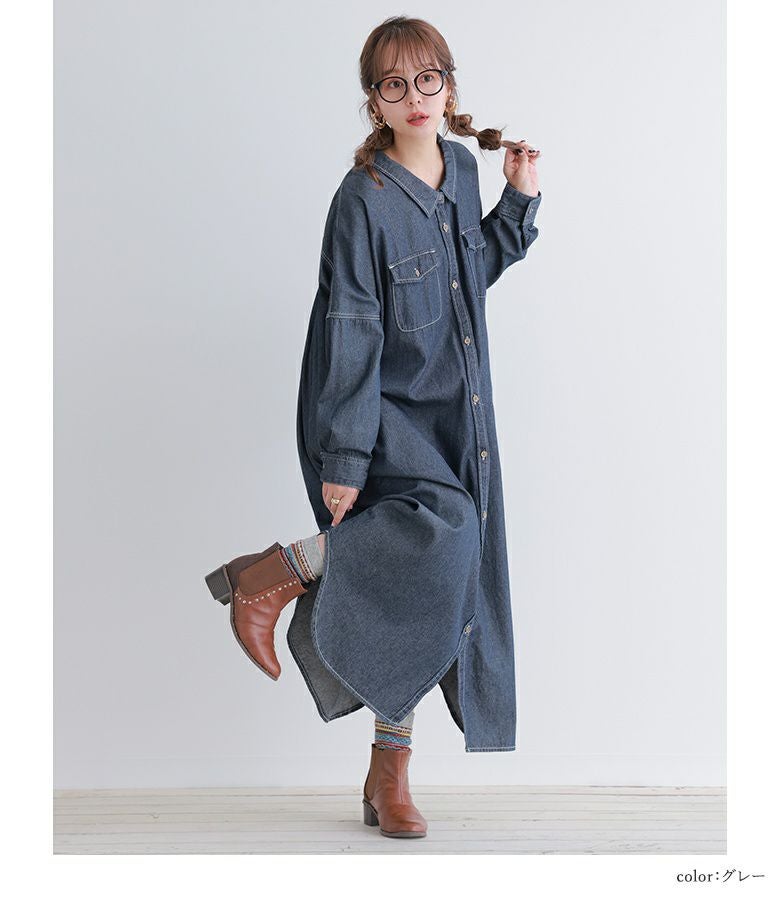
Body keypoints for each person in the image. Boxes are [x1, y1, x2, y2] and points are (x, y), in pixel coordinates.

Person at [205, 15, 543, 840]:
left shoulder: (462, 169)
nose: (414, 96)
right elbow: (351, 328)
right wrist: (346, 453)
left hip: (454, 414)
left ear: (449, 87)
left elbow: (470, 279)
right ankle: (278, 573)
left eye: (428, 79)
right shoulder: (361, 199)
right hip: (379, 413)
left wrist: (518, 203)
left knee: (431, 581)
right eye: (395, 84)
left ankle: (387, 769)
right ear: (374, 101)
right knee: (449, 535)